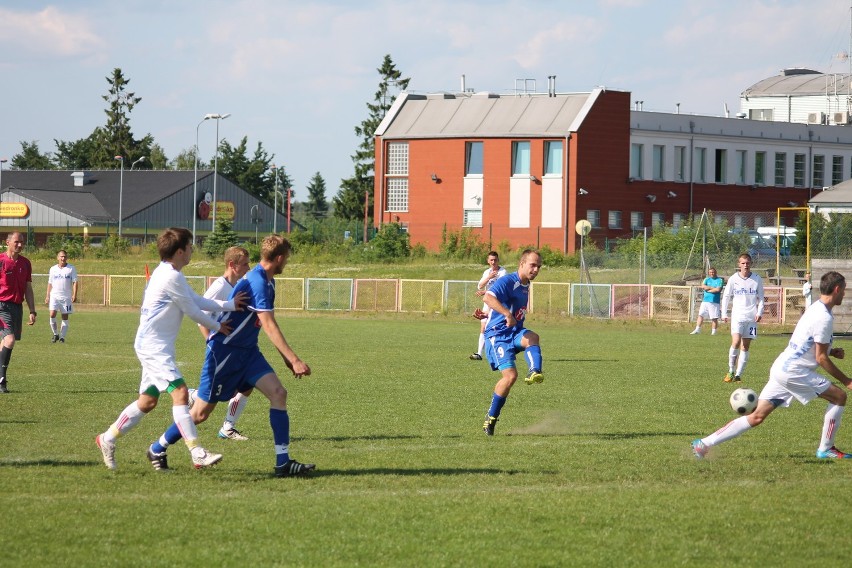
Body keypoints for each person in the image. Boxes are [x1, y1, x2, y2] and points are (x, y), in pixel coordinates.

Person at [146, 234, 315, 477]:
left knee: (278, 393)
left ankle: (283, 462)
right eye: (286, 258)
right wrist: (294, 359)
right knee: (200, 413)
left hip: (248, 353)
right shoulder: (257, 281)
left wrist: (287, 358)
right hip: (224, 353)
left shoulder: (268, 281)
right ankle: (157, 447)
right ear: (279, 258)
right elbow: (268, 325)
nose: (286, 263)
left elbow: (265, 323)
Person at [95, 228, 247, 471]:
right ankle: (197, 451)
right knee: (181, 394)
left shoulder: (170, 273)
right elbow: (194, 312)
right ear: (180, 251)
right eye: (189, 246)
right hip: (153, 348)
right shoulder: (170, 276)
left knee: (147, 402)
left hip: (155, 346)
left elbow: (196, 300)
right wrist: (219, 326)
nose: (191, 251)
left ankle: (107, 438)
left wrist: (229, 304)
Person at [693, 271, 852, 460]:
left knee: (757, 416)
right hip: (795, 372)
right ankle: (826, 449)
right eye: (844, 290)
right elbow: (821, 358)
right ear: (837, 289)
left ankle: (703, 444)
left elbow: (806, 341)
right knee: (839, 396)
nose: (844, 293)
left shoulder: (816, 308)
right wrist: (847, 380)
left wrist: (831, 351)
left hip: (781, 368)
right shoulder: (823, 317)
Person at [479, 249, 543, 436]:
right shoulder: (508, 281)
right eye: (532, 265)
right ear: (522, 264)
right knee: (510, 377)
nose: (536, 269)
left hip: (514, 331)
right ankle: (491, 418)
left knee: (533, 337)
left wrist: (491, 314)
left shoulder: (525, 284)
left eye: (539, 266)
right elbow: (488, 297)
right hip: (497, 336)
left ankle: (535, 371)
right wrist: (505, 314)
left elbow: (505, 305)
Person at [192, 245, 252, 441]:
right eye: (244, 264)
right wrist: (210, 339)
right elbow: (199, 315)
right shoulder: (219, 286)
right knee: (205, 408)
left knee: (247, 383)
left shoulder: (238, 285)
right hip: (220, 349)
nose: (248, 267)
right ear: (232, 265)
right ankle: (190, 398)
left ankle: (228, 427)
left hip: (234, 348)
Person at [0, 232, 37, 394]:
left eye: (22, 242)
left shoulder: (25, 263)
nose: (20, 245)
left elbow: (28, 288)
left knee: (5, 342)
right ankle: (2, 380)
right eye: (17, 242)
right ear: (7, 242)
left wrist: (32, 310)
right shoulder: (1, 261)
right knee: (9, 340)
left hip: (17, 307)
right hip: (1, 305)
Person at [720, 253, 764, 383]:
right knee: (736, 342)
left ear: (751, 264)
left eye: (748, 263)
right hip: (738, 315)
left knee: (745, 346)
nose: (746, 265)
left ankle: (738, 374)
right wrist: (723, 313)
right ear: (739, 264)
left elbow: (761, 297)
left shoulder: (757, 279)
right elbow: (726, 296)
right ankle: (731, 370)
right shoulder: (734, 279)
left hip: (752, 317)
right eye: (743, 263)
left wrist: (760, 312)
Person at [470, 251, 506, 360]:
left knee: (496, 328)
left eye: (495, 260)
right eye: (491, 260)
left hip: (498, 303)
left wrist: (485, 292)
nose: (493, 262)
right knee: (483, 327)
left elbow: (500, 289)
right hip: (488, 303)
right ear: (488, 261)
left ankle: (502, 352)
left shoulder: (503, 272)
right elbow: (480, 286)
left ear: (498, 260)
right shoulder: (487, 272)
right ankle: (479, 353)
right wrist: (489, 277)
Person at [45, 249, 78, 343]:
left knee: (65, 316)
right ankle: (55, 334)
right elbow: (50, 283)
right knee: (52, 314)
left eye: (64, 256)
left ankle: (62, 337)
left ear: (66, 258)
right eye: (61, 256)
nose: (63, 258)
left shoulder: (71, 268)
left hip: (66, 297)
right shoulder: (53, 269)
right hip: (54, 296)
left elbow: (75, 282)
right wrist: (47, 295)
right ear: (58, 257)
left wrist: (74, 294)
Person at [690, 267, 724, 335]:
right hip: (705, 300)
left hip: (714, 301)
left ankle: (714, 332)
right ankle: (697, 329)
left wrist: (709, 289)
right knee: (701, 315)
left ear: (716, 272)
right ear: (709, 273)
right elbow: (703, 286)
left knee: (714, 317)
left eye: (713, 272)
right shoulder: (706, 279)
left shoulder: (719, 280)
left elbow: (718, 290)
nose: (712, 273)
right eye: (710, 272)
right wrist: (713, 289)